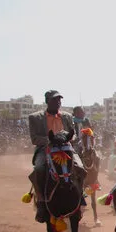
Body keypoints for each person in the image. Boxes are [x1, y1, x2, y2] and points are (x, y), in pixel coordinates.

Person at [28, 90, 86, 223]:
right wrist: (52, 140)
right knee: (39, 170)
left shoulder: (66, 116)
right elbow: (35, 139)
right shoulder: (35, 117)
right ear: (47, 101)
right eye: (55, 100)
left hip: (66, 148)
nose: (58, 102)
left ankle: (80, 195)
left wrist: (66, 138)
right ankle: (42, 203)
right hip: (46, 149)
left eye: (59, 100)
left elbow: (74, 134)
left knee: (81, 168)